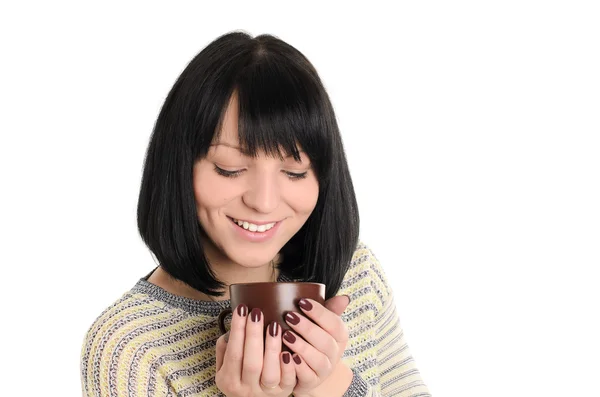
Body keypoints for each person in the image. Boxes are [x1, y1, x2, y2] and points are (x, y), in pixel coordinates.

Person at [80, 31, 431, 397]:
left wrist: (331, 385)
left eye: (295, 172)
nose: (263, 202)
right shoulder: (129, 348)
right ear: (179, 166)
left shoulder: (356, 273)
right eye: (229, 168)